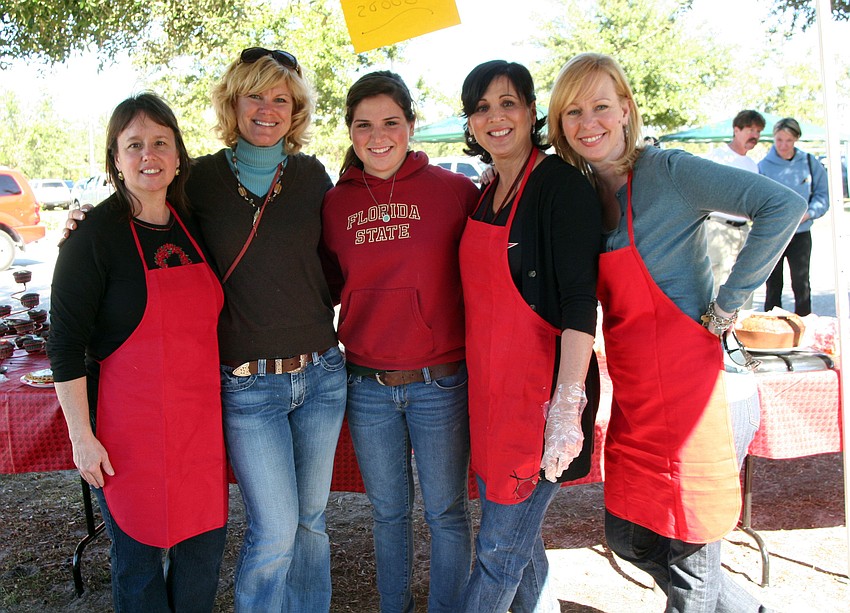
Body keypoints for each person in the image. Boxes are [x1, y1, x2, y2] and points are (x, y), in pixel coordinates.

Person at [65, 48, 347, 612]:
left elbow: (345, 252)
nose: (267, 109)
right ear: (231, 103)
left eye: (281, 99)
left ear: (296, 111)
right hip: (247, 384)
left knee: (312, 523)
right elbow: (141, 204)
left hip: (321, 375)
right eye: (254, 96)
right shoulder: (202, 181)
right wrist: (85, 223)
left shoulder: (315, 176)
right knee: (274, 529)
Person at [547, 52, 806, 612]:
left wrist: (729, 305)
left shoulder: (668, 171)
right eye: (572, 112)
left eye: (600, 106)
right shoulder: (584, 191)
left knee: (692, 576)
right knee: (630, 540)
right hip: (639, 405)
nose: (588, 122)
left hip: (697, 402)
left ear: (625, 110)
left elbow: (781, 205)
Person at [49, 92, 228, 612]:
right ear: (116, 160)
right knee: (138, 564)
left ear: (177, 156)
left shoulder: (196, 223)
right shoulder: (92, 239)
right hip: (127, 436)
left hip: (199, 429)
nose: (148, 155)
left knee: (202, 555)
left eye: (159, 143)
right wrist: (81, 437)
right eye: (134, 146)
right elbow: (63, 344)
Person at [321, 70, 478, 613]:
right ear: (350, 130)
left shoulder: (456, 193)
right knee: (387, 513)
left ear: (411, 125)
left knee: (446, 513)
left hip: (441, 382)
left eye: (391, 121)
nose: (378, 135)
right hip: (366, 385)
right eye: (364, 124)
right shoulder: (334, 205)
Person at [457, 59, 602, 613]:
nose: (495, 117)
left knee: (497, 550)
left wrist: (567, 406)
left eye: (508, 103)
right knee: (517, 539)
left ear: (533, 111)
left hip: (539, 402)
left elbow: (577, 305)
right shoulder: (486, 189)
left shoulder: (561, 186)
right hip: (490, 396)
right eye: (482, 107)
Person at [759, 117, 829, 316]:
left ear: (796, 139)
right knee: (773, 285)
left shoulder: (809, 162)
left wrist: (808, 214)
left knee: (801, 284)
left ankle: (804, 327)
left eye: (788, 140)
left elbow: (823, 195)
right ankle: (771, 328)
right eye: (779, 140)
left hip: (800, 234)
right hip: (774, 235)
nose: (783, 145)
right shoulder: (763, 166)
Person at [704, 109, 766, 306]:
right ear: (736, 130)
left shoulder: (752, 165)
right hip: (719, 228)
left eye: (758, 131)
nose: (754, 135)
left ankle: (740, 330)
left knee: (744, 281)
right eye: (750, 129)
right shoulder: (717, 157)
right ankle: (714, 333)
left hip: (744, 229)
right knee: (717, 283)